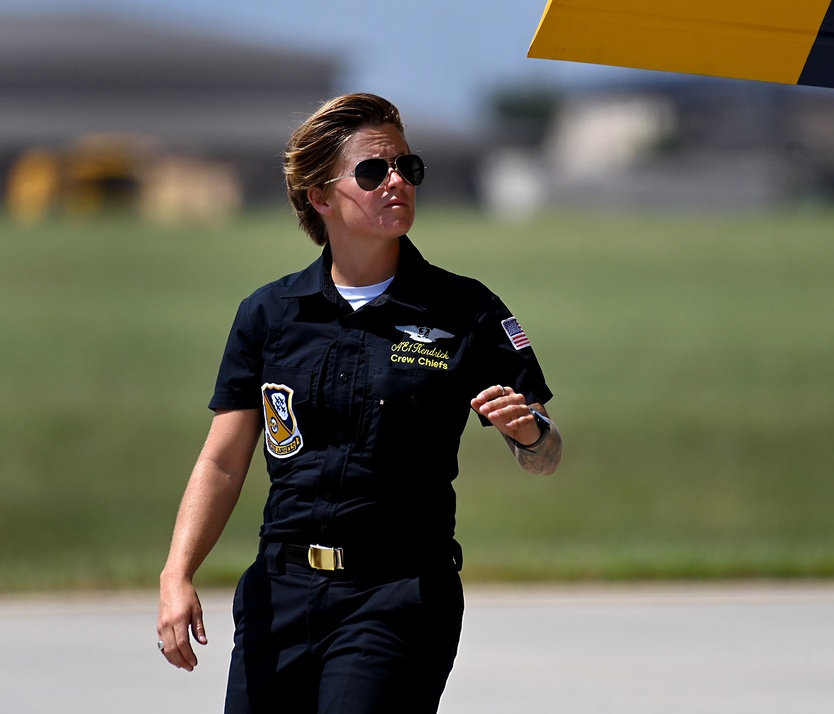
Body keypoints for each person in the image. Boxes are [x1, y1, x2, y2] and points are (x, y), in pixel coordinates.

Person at [156, 93, 562, 714]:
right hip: (280, 592)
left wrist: (530, 436)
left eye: (409, 168)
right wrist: (176, 574)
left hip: (397, 596)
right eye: (374, 171)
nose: (397, 182)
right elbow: (223, 463)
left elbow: (546, 450)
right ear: (321, 196)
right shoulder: (269, 314)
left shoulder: (465, 310)